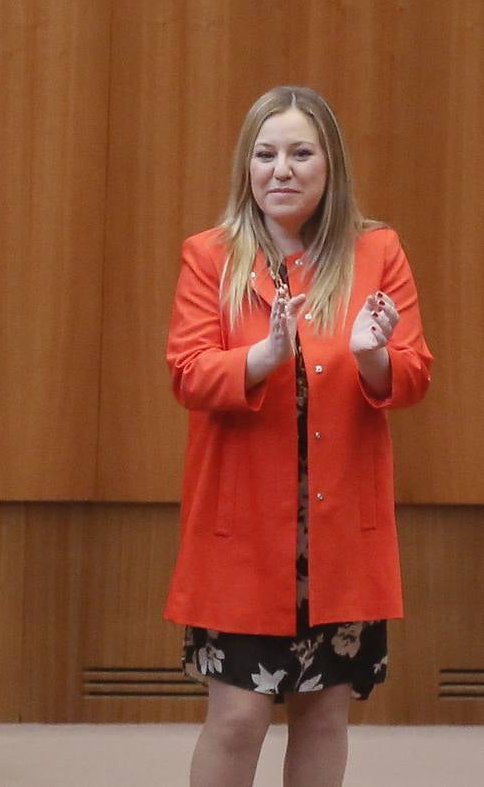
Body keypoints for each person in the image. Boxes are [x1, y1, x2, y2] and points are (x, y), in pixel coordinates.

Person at [165, 86, 431, 787]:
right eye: (264, 154)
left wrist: (373, 352)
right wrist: (262, 356)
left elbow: (411, 374)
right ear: (245, 168)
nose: (279, 169)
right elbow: (188, 373)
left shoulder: (376, 251)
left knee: (321, 717)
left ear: (328, 165)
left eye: (298, 153)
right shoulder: (208, 255)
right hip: (241, 538)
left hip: (339, 537)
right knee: (237, 719)